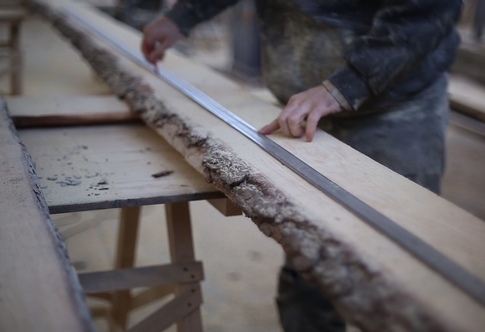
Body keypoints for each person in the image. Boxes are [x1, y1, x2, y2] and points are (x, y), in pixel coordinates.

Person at [141, 1, 463, 331]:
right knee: (312, 260)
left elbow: (428, 10)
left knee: (404, 275)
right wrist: (182, 17)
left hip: (395, 106)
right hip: (306, 110)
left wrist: (346, 84)